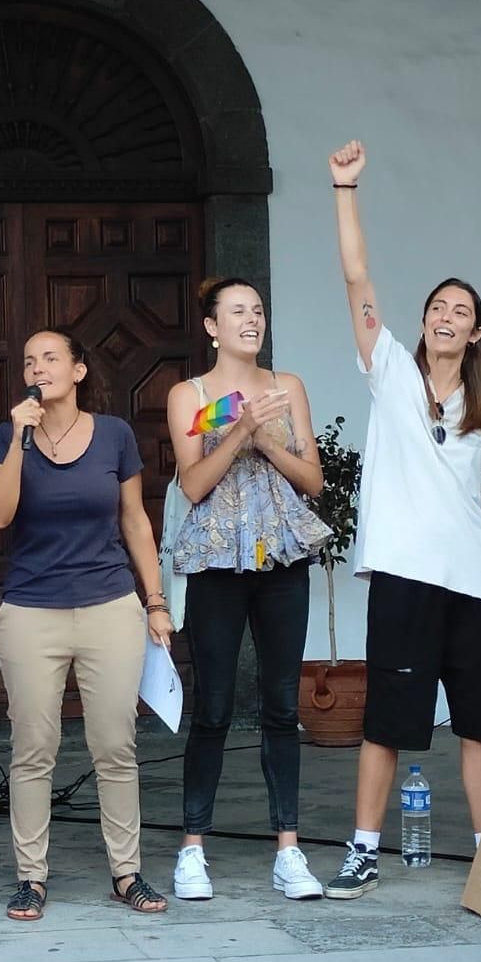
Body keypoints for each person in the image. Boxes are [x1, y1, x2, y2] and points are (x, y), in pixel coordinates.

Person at [323, 140, 481, 900]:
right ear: (422, 321)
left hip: (475, 582)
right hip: (407, 578)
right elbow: (356, 278)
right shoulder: (391, 373)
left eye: (462, 313)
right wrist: (346, 191)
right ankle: (362, 849)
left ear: (476, 333)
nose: (448, 317)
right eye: (439, 307)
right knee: (388, 721)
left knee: (480, 725)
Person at [0, 329, 172, 920]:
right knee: (33, 747)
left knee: (115, 745)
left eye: (50, 357)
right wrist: (18, 438)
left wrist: (157, 600)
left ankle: (126, 872)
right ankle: (30, 878)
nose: (38, 367)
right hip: (31, 611)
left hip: (109, 606)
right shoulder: (8, 435)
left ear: (79, 370)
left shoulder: (115, 435)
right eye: (29, 360)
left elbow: (136, 522)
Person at [164, 279, 332, 902]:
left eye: (258, 310)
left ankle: (289, 849)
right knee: (212, 705)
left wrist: (267, 437)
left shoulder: (288, 389)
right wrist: (238, 431)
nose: (251, 320)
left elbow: (313, 480)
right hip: (215, 562)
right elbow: (193, 484)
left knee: (282, 706)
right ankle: (192, 847)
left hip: (282, 557)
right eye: (237, 312)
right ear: (212, 326)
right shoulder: (192, 395)